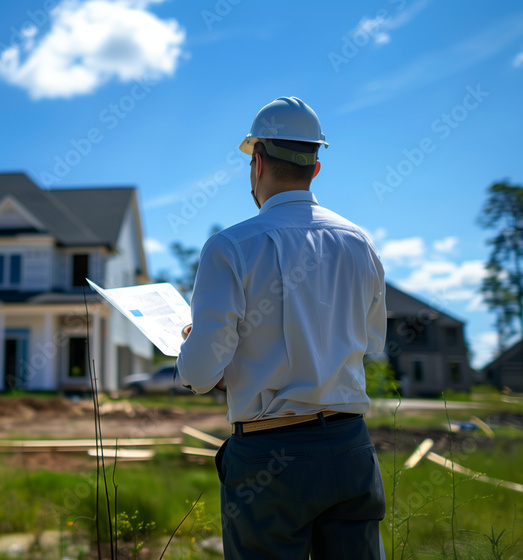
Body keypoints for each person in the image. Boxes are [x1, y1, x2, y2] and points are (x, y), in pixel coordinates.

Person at [176, 96, 387, 559]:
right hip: (351, 448)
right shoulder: (360, 244)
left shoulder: (231, 247)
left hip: (270, 458)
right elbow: (371, 344)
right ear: (315, 168)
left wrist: (193, 348)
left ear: (256, 162)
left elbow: (198, 374)